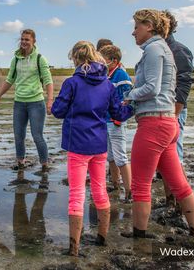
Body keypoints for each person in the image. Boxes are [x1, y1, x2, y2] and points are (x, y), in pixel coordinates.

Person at [51, 41, 133, 256]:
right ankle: (102, 238)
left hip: (78, 145)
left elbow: (58, 111)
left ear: (76, 59)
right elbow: (118, 113)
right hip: (99, 145)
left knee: (77, 194)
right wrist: (134, 107)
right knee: (100, 190)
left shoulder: (72, 83)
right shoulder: (107, 84)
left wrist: (53, 104)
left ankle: (74, 248)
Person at [124, 9, 194, 238]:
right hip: (167, 123)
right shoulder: (163, 49)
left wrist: (128, 94)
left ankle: (139, 235)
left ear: (149, 26)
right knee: (178, 182)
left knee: (140, 185)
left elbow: (152, 88)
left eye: (136, 26)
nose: (133, 32)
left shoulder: (154, 49)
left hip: (154, 124)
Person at [0, 29, 53, 171]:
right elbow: (10, 79)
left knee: (37, 136)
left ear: (33, 41)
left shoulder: (40, 58)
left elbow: (48, 81)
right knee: (18, 136)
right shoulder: (15, 59)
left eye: (27, 40)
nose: (24, 42)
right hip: (19, 103)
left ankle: (44, 165)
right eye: (23, 39)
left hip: (36, 103)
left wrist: (50, 100)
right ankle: (20, 163)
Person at [161, 10, 194, 206]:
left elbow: (184, 83)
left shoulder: (178, 50)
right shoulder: (161, 49)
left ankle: (179, 203)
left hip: (174, 110)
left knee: (174, 156)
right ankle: (170, 201)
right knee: (167, 158)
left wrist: (175, 113)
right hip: (163, 111)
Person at [99, 45, 133, 199]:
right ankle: (115, 185)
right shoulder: (107, 75)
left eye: (103, 59)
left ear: (114, 60)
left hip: (115, 122)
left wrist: (119, 117)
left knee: (120, 157)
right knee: (110, 156)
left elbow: (128, 99)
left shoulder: (121, 76)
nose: (100, 62)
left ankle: (129, 192)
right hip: (105, 121)